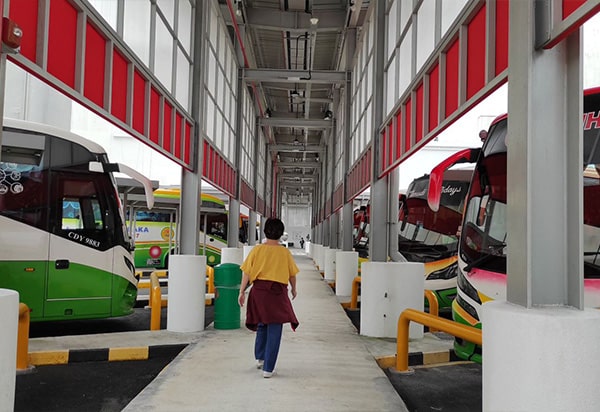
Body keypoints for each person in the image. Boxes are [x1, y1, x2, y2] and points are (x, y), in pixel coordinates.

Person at [239, 217, 299, 378]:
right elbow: (292, 274)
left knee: (262, 323)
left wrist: (242, 291)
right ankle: (268, 368)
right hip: (277, 293)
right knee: (275, 327)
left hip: (258, 292)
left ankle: (260, 357)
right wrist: (294, 289)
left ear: (265, 231)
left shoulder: (257, 250)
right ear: (281, 234)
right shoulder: (284, 252)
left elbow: (247, 272)